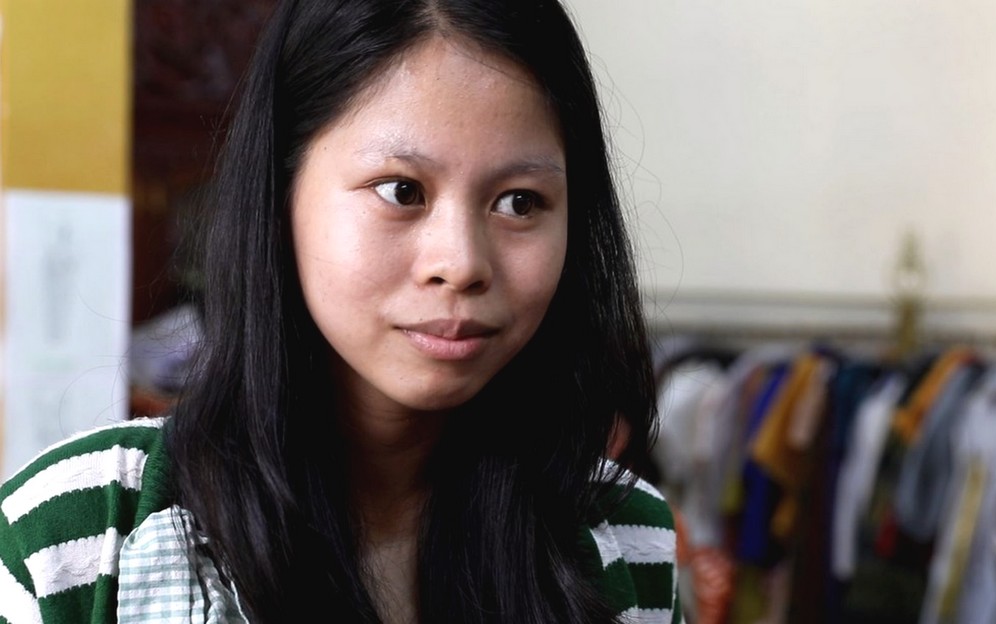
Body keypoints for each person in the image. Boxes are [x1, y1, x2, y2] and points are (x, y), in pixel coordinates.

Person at [0, 0, 680, 622]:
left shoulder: (622, 537)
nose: (463, 262)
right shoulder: (78, 540)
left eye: (520, 202)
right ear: (282, 191)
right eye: (401, 190)